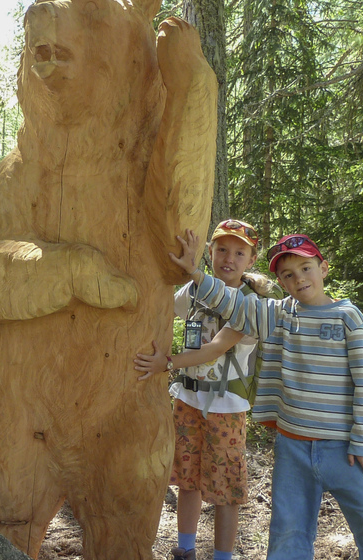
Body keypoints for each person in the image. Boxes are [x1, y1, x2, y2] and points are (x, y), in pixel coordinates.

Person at [167, 230, 363, 560]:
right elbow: (234, 302)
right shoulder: (279, 315)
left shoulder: (348, 318)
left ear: (323, 268)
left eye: (306, 268)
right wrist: (196, 274)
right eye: (288, 274)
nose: (299, 279)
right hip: (292, 447)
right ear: (281, 281)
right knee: (287, 532)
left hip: (344, 450)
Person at [135, 219, 276, 560]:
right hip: (187, 398)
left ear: (251, 260)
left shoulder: (251, 302)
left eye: (239, 252)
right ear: (210, 253)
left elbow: (215, 348)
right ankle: (185, 550)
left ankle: (222, 556)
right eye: (222, 249)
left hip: (227, 406)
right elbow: (164, 308)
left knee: (225, 489)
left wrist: (165, 363)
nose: (229, 258)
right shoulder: (195, 291)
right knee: (188, 478)